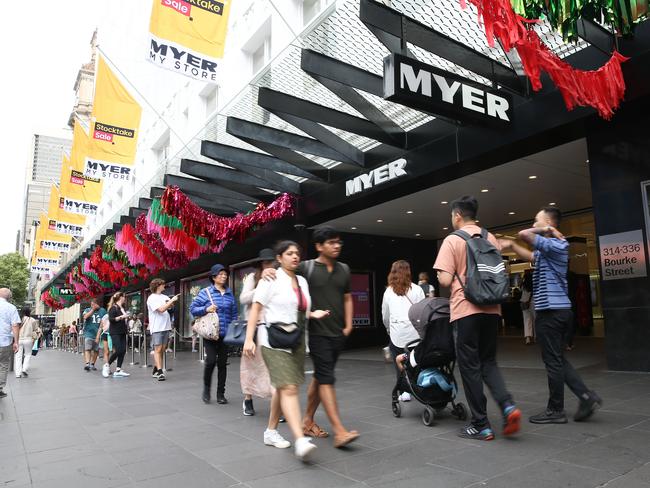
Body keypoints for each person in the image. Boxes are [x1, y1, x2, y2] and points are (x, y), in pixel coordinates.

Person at [499, 207, 602, 424]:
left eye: (537, 220)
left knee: (553, 362)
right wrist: (510, 246)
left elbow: (525, 234)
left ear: (547, 223)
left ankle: (556, 411)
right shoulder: (549, 249)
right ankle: (586, 396)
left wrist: (545, 228)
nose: (534, 224)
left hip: (552, 313)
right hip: (557, 312)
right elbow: (529, 254)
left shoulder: (556, 244)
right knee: (557, 360)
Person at [434, 196, 521, 441]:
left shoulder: (453, 239)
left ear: (457, 215)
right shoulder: (489, 237)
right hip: (492, 310)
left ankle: (481, 424)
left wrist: (448, 274)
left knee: (470, 366)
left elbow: (443, 280)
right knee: (489, 362)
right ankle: (507, 406)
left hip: (466, 309)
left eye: (451, 216)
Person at [262, 227, 359, 447]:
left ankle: (307, 420)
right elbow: (286, 268)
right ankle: (339, 431)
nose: (336, 246)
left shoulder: (344, 269)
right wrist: (269, 270)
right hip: (315, 332)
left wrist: (349, 324)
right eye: (331, 242)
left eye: (339, 242)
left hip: (337, 332)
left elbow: (347, 297)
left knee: (321, 376)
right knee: (326, 378)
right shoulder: (307, 267)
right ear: (319, 246)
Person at [244, 241, 331, 460]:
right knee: (289, 388)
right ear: (279, 257)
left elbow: (298, 308)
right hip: (274, 340)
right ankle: (299, 440)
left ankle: (271, 432)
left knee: (281, 388)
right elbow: (256, 308)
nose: (295, 257)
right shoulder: (270, 278)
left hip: (297, 339)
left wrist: (314, 314)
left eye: (297, 254)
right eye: (289, 253)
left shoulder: (302, 280)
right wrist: (248, 339)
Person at [190, 264, 238, 404]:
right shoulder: (206, 292)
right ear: (213, 277)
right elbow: (193, 308)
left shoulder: (229, 294)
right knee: (210, 361)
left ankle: (220, 394)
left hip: (225, 334)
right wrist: (206, 308)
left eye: (225, 274)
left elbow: (234, 314)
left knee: (222, 364)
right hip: (211, 334)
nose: (224, 276)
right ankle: (206, 388)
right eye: (221, 274)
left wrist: (233, 330)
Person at [239, 248, 277, 416]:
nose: (269, 265)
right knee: (250, 365)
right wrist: (261, 287)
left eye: (272, 261)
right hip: (254, 327)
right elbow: (243, 298)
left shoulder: (278, 277)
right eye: (266, 262)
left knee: (272, 367)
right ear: (261, 263)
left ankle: (276, 405)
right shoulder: (252, 278)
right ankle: (248, 398)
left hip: (272, 327)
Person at [382, 260, 426, 402]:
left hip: (397, 334)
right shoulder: (417, 289)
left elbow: (385, 315)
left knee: (399, 363)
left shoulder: (388, 291)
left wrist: (388, 328)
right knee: (413, 361)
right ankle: (419, 387)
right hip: (415, 335)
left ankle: (405, 391)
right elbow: (423, 311)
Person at [147, 279, 178, 382]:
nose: (164, 285)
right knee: (158, 349)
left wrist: (171, 304)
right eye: (162, 284)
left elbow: (169, 308)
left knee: (163, 349)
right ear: (157, 286)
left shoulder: (164, 297)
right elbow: (161, 310)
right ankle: (160, 372)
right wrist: (171, 301)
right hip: (157, 327)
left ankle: (156, 369)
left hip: (166, 326)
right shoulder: (151, 298)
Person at [0, 288, 21, 398]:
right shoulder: (11, 308)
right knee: (3, 365)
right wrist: (16, 342)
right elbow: (15, 325)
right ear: (9, 297)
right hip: (4, 341)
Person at [105, 292, 131, 378]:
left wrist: (127, 317)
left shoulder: (122, 308)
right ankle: (107, 365)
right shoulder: (113, 308)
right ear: (120, 298)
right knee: (119, 350)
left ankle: (118, 370)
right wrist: (122, 317)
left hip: (123, 332)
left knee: (123, 350)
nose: (125, 298)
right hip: (115, 332)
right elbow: (111, 319)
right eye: (124, 297)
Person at [82, 298, 106, 371]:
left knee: (96, 350)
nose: (93, 306)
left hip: (98, 334)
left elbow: (105, 321)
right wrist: (92, 310)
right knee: (88, 348)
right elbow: (85, 317)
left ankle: (92, 364)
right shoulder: (87, 310)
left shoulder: (103, 311)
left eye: (94, 304)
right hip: (88, 333)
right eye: (91, 304)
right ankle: (87, 364)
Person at [15, 307, 40, 378]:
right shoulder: (32, 320)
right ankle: (24, 369)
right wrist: (34, 338)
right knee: (28, 354)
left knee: (18, 356)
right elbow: (36, 330)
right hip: (28, 339)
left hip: (19, 339)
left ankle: (18, 373)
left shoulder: (18, 319)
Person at [520, 270, 535, 345]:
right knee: (535, 320)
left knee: (526, 320)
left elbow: (521, 292)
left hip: (524, 302)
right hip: (533, 303)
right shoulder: (534, 284)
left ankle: (528, 338)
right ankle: (536, 337)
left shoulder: (523, 285)